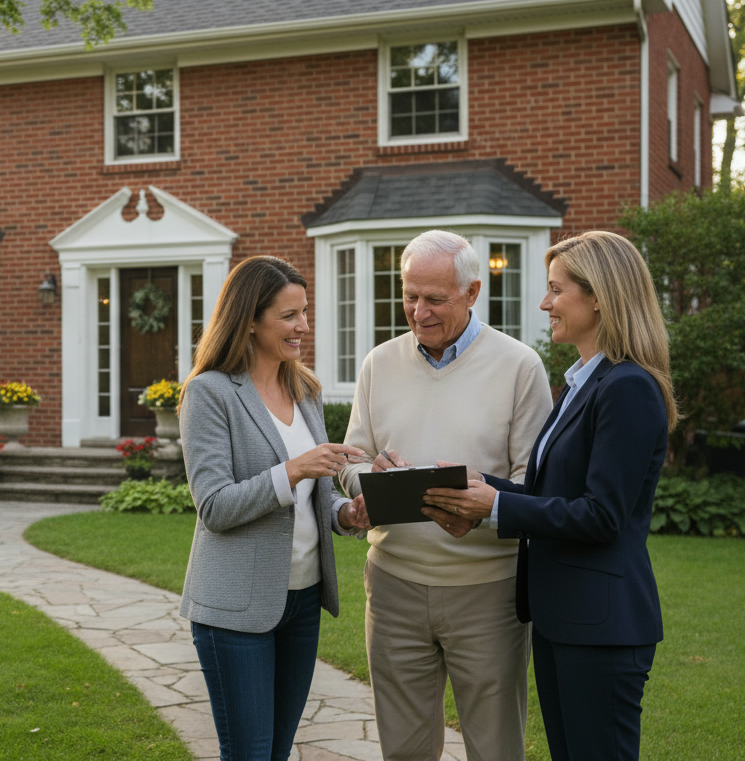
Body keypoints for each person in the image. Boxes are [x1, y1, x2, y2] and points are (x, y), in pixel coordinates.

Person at [422, 230, 677, 761]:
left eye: (557, 290)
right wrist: (478, 485)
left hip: (602, 627)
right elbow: (550, 493)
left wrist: (494, 508)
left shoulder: (628, 386)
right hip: (565, 618)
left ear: (600, 296)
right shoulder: (584, 383)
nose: (545, 304)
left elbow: (602, 515)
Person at [336, 230, 553, 761]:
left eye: (435, 299)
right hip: (392, 588)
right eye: (410, 295)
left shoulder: (520, 366)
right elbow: (351, 459)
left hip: (488, 593)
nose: (419, 311)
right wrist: (369, 476)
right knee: (404, 751)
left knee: (495, 749)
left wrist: (476, 504)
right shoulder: (378, 364)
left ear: (473, 292)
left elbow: (538, 487)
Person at [178, 255, 370, 761]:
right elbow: (215, 506)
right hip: (235, 608)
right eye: (289, 316)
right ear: (250, 319)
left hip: (302, 601)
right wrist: (293, 469)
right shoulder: (209, 393)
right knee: (249, 753)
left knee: (278, 751)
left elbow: (320, 492)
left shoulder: (303, 389)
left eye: (304, 313)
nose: (303, 326)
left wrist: (346, 514)